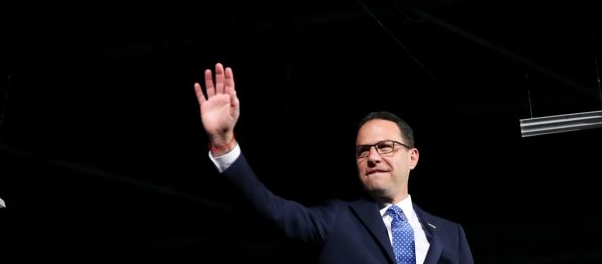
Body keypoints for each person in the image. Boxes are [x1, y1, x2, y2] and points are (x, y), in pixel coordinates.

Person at [194, 62, 475, 264]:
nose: (373, 157)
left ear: (412, 157)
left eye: (385, 147)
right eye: (363, 151)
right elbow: (271, 210)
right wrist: (223, 143)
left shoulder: (453, 234)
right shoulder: (336, 219)